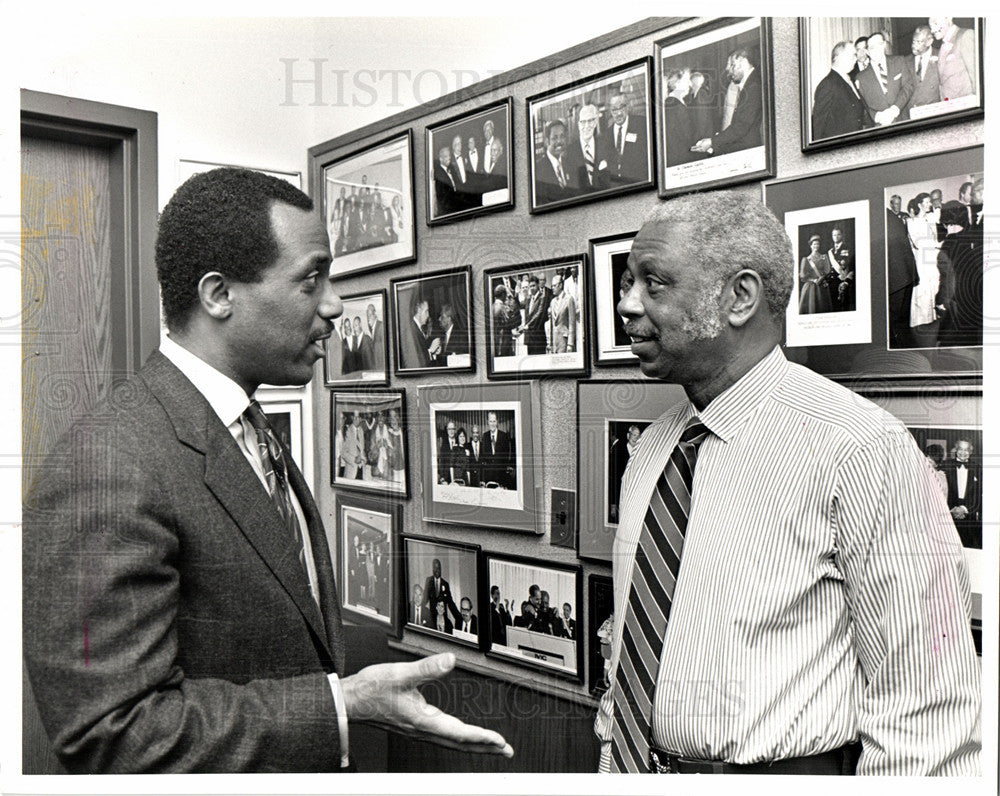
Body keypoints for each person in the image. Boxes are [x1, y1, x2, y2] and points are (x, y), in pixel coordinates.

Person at [22, 167, 512, 773]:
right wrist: (341, 705)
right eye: (312, 279)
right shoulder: (107, 463)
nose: (334, 305)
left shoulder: (245, 427)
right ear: (219, 295)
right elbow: (114, 733)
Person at [595, 191, 979, 775]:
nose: (626, 304)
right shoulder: (651, 450)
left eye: (654, 283)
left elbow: (925, 714)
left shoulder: (859, 451)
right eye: (628, 282)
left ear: (740, 297)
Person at [691, 48, 762, 156]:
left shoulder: (753, 86)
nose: (727, 69)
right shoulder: (751, 83)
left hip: (748, 150)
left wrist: (712, 142)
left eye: (732, 65)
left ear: (743, 61)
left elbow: (741, 126)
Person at [811, 41, 874, 139]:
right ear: (839, 57)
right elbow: (818, 126)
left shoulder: (849, 80)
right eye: (853, 55)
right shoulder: (828, 85)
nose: (856, 59)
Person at [906, 191, 945, 346]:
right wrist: (935, 244)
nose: (929, 204)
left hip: (932, 257)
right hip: (921, 258)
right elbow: (917, 242)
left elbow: (939, 218)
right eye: (927, 202)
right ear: (919, 204)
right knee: (922, 289)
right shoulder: (912, 221)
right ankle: (921, 321)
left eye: (930, 202)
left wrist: (938, 208)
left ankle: (933, 317)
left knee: (935, 285)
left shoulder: (931, 218)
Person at [854, 31, 915, 127]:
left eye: (879, 44)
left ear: (884, 45)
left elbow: (908, 86)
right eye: (872, 47)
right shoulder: (861, 78)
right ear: (867, 52)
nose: (876, 49)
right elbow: (862, 105)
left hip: (903, 122)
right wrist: (877, 116)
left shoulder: (899, 61)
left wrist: (895, 108)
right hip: (880, 126)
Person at [886, 200, 919, 348]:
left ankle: (902, 357)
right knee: (902, 323)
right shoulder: (891, 217)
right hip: (906, 274)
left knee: (894, 323)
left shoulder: (881, 217)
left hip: (896, 278)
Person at [943, 439, 981, 548]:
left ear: (971, 452)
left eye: (966, 450)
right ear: (956, 450)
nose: (963, 452)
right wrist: (951, 509)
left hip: (969, 514)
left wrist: (964, 509)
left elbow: (979, 494)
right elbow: (940, 491)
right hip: (948, 514)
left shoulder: (978, 468)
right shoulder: (946, 465)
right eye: (960, 449)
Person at [929, 17, 977, 103]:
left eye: (935, 24)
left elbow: (976, 77)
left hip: (967, 106)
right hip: (950, 107)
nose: (932, 30)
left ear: (948, 18)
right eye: (931, 26)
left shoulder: (965, 36)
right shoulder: (943, 46)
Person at [605, 90, 648, 184]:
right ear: (610, 111)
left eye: (621, 107)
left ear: (628, 106)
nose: (619, 113)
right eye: (614, 109)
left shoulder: (642, 125)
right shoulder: (606, 135)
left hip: (640, 184)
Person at [564, 103, 609, 193]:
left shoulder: (605, 146)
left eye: (590, 121)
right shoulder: (569, 151)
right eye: (583, 122)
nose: (586, 126)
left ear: (596, 122)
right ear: (578, 124)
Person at [902, 25, 942, 119]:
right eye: (913, 41)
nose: (913, 45)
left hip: (934, 117)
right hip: (911, 118)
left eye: (919, 42)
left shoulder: (941, 56)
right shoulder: (905, 61)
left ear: (929, 41)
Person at [534, 119, 575, 205]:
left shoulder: (570, 164)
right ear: (547, 141)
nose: (559, 141)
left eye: (562, 136)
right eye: (554, 138)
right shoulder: (538, 169)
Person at [662, 68, 697, 166]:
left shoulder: (671, 103)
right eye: (686, 81)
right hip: (681, 159)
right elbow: (686, 136)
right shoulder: (675, 105)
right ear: (676, 84)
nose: (690, 84)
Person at [608, 424, 641, 523]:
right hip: (620, 493)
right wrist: (613, 505)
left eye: (638, 435)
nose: (636, 438)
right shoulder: (619, 451)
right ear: (628, 436)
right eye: (634, 435)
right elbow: (613, 478)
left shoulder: (640, 451)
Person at [798, 234, 834, 315]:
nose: (816, 246)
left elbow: (827, 270)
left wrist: (822, 278)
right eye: (814, 244)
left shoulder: (824, 257)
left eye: (817, 244)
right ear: (811, 246)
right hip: (811, 287)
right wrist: (813, 280)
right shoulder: (806, 260)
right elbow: (803, 276)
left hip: (822, 286)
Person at [401, 296, 441, 369]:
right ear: (419, 311)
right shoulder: (411, 330)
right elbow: (414, 360)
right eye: (426, 311)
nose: (428, 315)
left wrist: (433, 353)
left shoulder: (417, 328)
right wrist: (430, 350)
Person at [422, 558, 463, 628]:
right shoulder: (429, 581)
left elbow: (450, 602)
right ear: (433, 570)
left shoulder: (445, 584)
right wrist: (419, 610)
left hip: (443, 619)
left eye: (439, 568)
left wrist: (459, 617)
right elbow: (425, 599)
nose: (437, 570)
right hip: (432, 619)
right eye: (435, 568)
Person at [826, 226, 855, 311]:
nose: (836, 237)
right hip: (832, 282)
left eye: (838, 235)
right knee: (833, 306)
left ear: (842, 235)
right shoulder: (830, 250)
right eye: (834, 235)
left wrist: (846, 281)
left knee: (843, 306)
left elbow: (850, 265)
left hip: (842, 281)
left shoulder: (848, 248)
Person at [482, 411, 513, 489]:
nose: (492, 424)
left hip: (501, 478)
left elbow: (506, 458)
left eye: (494, 421)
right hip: (488, 478)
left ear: (497, 422)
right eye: (490, 421)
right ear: (487, 422)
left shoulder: (504, 436)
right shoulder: (484, 436)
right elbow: (483, 457)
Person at [547, 273, 577, 353]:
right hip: (554, 342)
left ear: (560, 285)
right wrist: (550, 343)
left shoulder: (569, 299)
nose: (552, 288)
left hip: (564, 340)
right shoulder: (552, 302)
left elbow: (572, 323)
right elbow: (551, 324)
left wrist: (570, 344)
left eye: (554, 286)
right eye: (552, 286)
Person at [433, 145, 458, 216]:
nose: (449, 158)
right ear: (441, 159)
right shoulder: (439, 175)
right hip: (448, 211)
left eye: (449, 156)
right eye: (446, 156)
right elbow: (442, 198)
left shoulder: (451, 170)